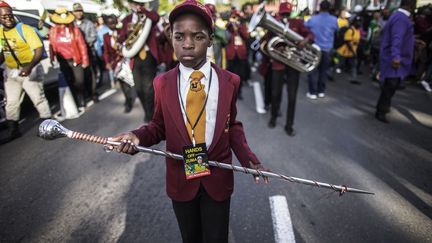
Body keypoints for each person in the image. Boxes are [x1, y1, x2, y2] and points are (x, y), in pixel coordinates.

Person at [110, 1, 268, 242]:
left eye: (197, 36)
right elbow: (158, 126)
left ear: (210, 39)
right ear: (171, 38)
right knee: (190, 237)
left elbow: (232, 125)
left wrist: (250, 159)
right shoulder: (162, 83)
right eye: (179, 36)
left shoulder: (230, 81)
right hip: (181, 179)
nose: (187, 44)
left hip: (218, 177)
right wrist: (137, 136)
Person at [0, 1, 52, 144]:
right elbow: (4, 52)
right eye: (4, 17)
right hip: (12, 71)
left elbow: (39, 50)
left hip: (30, 68)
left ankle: (49, 128)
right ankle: (13, 130)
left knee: (38, 98)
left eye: (10, 15)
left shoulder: (25, 29)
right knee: (11, 103)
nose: (8, 19)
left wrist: (28, 67)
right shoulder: (0, 33)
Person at [266, 2, 314, 136]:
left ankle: (289, 125)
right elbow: (266, 42)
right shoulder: (274, 23)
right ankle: (273, 117)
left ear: (291, 13)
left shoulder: (297, 22)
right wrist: (276, 47)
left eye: (287, 13)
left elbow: (310, 34)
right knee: (275, 94)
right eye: (283, 14)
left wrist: (305, 40)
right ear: (280, 14)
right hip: (278, 63)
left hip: (293, 63)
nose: (285, 16)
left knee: (292, 97)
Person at [119, 0, 161, 123]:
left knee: (149, 88)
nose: (136, 4)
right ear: (129, 4)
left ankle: (151, 115)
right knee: (139, 89)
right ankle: (148, 111)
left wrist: (142, 10)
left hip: (148, 56)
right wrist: (127, 32)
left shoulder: (148, 15)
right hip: (134, 57)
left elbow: (156, 17)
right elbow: (121, 37)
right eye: (133, 2)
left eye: (138, 2)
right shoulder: (127, 20)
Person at [375, 0, 416, 123]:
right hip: (394, 58)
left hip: (392, 56)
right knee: (390, 86)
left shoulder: (397, 16)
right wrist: (396, 57)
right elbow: (396, 38)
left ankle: (383, 107)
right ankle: (381, 110)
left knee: (390, 85)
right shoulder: (401, 18)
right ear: (411, 5)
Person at [49, 8, 89, 110]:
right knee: (69, 81)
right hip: (63, 61)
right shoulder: (53, 31)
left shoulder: (75, 30)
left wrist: (85, 60)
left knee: (79, 82)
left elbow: (82, 45)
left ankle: (82, 99)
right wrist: (52, 58)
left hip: (76, 60)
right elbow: (52, 46)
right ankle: (75, 102)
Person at [305, 1, 338, 99]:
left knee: (313, 70)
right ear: (329, 8)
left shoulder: (313, 19)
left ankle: (312, 92)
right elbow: (337, 30)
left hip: (315, 48)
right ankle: (321, 91)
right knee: (323, 71)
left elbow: (305, 26)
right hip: (327, 49)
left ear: (320, 7)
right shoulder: (334, 19)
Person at [103, 15, 136, 113]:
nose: (112, 25)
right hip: (115, 63)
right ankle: (128, 100)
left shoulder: (122, 32)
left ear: (116, 22)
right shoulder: (106, 36)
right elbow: (106, 51)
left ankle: (129, 100)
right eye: (109, 23)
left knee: (128, 81)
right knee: (122, 82)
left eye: (113, 22)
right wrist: (107, 62)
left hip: (126, 60)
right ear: (107, 24)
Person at [72, 2, 98, 103]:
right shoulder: (71, 24)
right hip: (77, 54)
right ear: (73, 12)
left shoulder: (88, 23)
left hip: (89, 52)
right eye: (76, 11)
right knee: (79, 77)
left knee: (91, 74)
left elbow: (94, 36)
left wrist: (83, 44)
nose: (78, 13)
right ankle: (83, 96)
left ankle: (94, 94)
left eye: (80, 11)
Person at [225, 9, 249, 100]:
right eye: (233, 17)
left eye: (236, 17)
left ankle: (239, 92)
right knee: (230, 76)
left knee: (240, 76)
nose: (235, 19)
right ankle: (230, 93)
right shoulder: (229, 26)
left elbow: (246, 36)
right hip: (231, 54)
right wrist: (230, 24)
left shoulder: (243, 26)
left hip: (240, 54)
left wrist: (239, 27)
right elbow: (226, 36)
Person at [336, 16, 362, 84]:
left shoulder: (357, 31)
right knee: (338, 63)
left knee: (354, 65)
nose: (359, 23)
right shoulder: (350, 30)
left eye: (360, 22)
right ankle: (329, 72)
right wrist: (353, 52)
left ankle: (354, 78)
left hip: (352, 52)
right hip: (344, 51)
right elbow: (348, 42)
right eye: (357, 22)